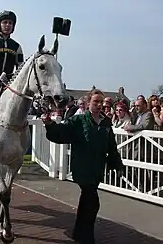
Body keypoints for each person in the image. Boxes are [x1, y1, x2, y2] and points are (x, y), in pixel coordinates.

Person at [42, 88, 124, 244]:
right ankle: (87, 237)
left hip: (97, 169)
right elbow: (61, 132)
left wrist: (117, 164)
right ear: (87, 103)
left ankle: (79, 234)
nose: (99, 105)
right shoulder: (78, 121)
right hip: (82, 167)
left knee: (86, 202)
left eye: (101, 102)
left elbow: (111, 146)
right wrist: (50, 124)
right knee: (93, 202)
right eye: (95, 102)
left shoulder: (106, 123)